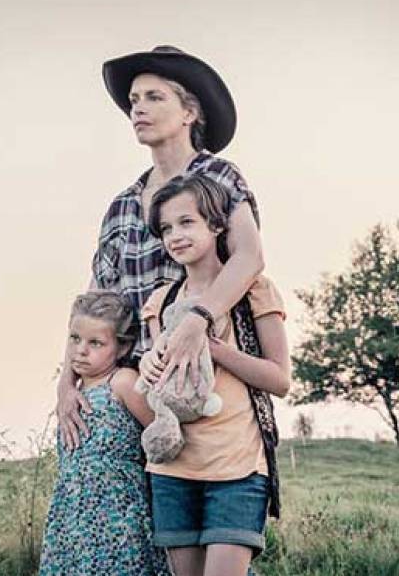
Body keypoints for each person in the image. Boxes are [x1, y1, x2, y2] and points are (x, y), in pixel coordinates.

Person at [57, 45, 282, 519]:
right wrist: (67, 381)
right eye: (133, 100)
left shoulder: (218, 177)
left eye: (154, 97)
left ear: (189, 112)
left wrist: (197, 321)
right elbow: (94, 305)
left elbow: (249, 256)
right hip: (134, 387)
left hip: (204, 380)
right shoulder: (122, 205)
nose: (137, 108)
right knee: (134, 525)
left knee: (215, 517)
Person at [140, 174, 290, 576]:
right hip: (172, 471)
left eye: (187, 222)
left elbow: (280, 380)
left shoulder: (255, 291)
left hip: (237, 469)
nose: (175, 236)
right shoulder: (161, 301)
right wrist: (150, 365)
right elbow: (162, 382)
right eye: (166, 229)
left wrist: (214, 348)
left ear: (217, 225)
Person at [39, 290, 170, 576]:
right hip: (71, 517)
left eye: (95, 343)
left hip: (118, 517)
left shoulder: (122, 382)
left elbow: (165, 435)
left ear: (122, 348)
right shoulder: (72, 394)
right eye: (75, 339)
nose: (81, 350)